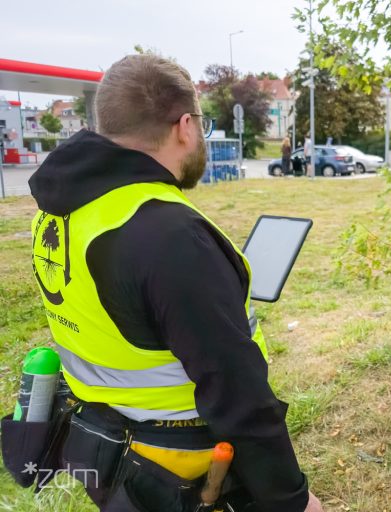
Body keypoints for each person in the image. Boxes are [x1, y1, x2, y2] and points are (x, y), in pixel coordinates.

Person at [27, 54, 323, 511]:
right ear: (185, 126)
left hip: (105, 452)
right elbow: (237, 394)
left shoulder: (58, 211)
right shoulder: (169, 235)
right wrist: (292, 500)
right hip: (182, 468)